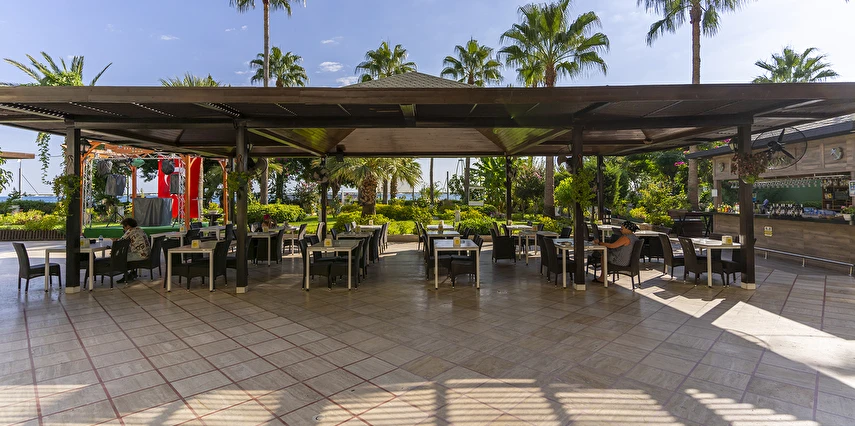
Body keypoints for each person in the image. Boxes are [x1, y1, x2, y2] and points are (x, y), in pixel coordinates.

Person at [117, 218, 150, 282]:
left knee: (121, 257)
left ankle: (126, 276)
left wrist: (114, 241)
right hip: (147, 253)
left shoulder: (130, 231)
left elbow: (120, 242)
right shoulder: (139, 229)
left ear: (128, 226)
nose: (123, 229)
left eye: (123, 227)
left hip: (141, 255)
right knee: (128, 253)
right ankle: (132, 272)